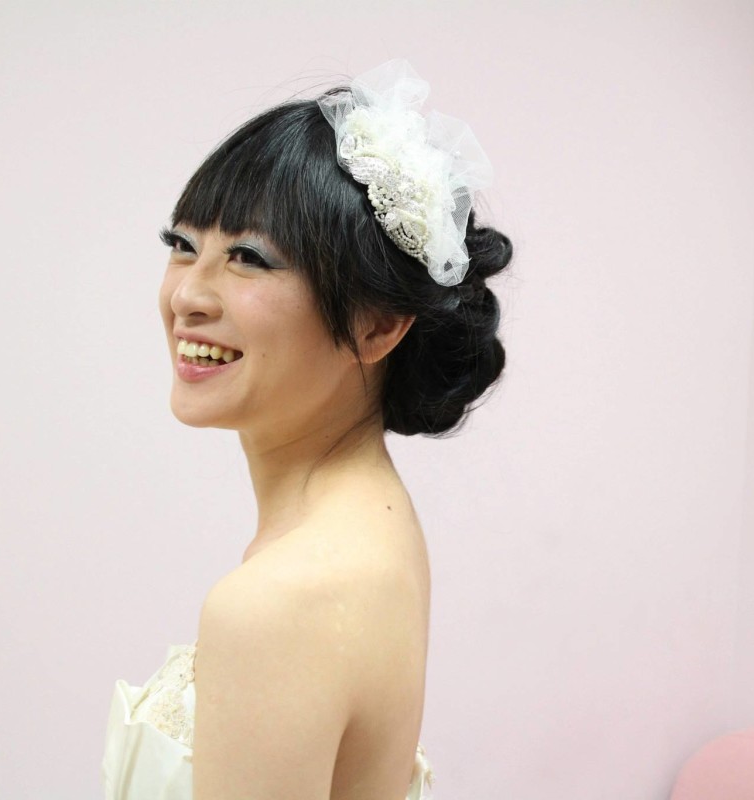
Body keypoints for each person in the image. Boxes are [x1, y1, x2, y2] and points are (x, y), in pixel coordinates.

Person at [101, 59, 513, 800]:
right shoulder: (371, 523)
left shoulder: (283, 600)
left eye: (248, 258)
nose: (188, 294)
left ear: (378, 324)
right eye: (183, 244)